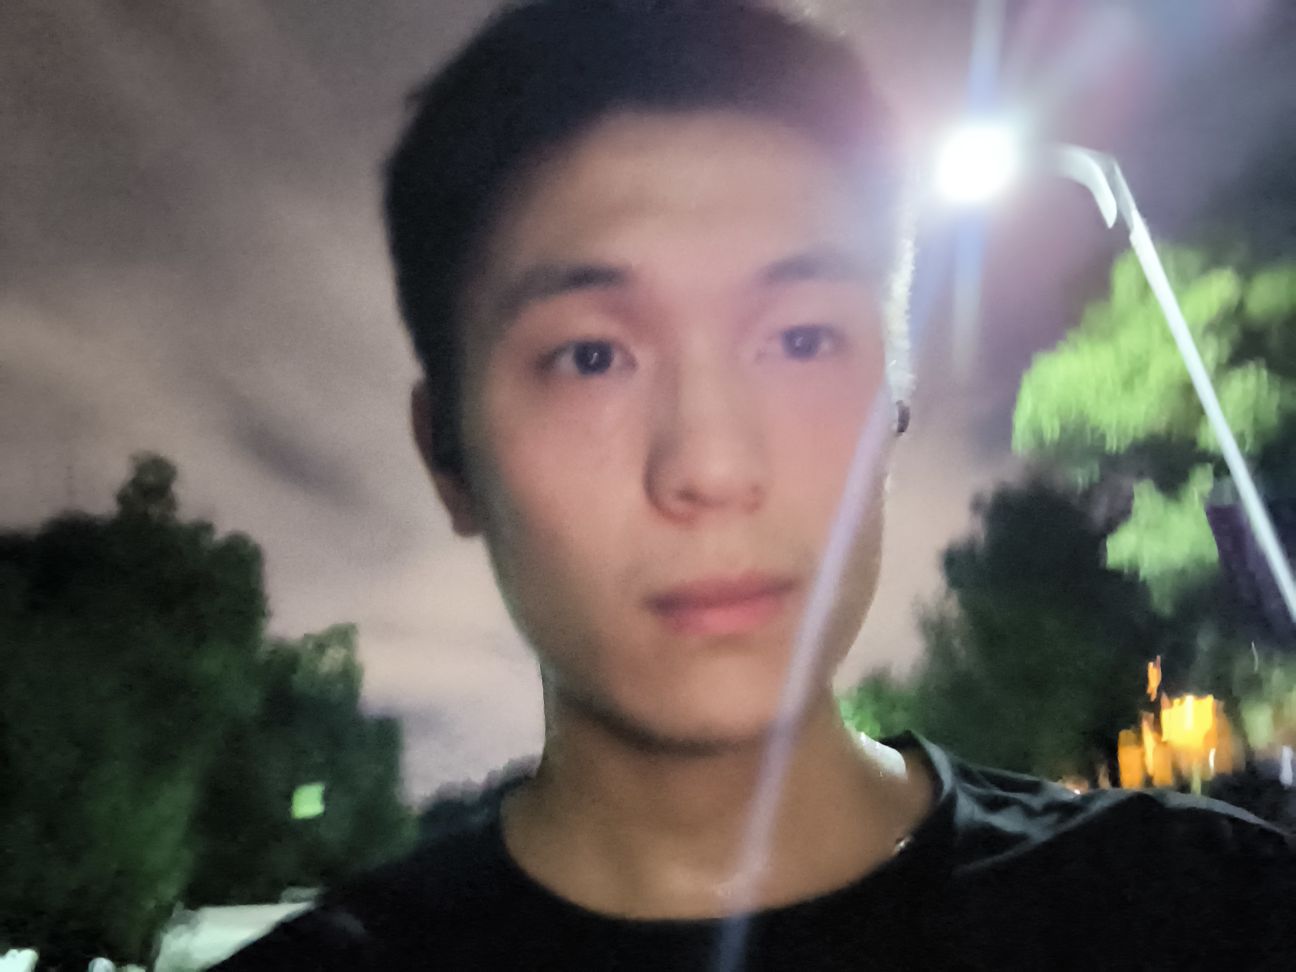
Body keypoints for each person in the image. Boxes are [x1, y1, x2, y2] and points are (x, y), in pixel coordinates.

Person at [215, 1, 1295, 968]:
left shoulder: (1211, 912)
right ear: (447, 453)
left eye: (801, 339)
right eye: (591, 356)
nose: (712, 468)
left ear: (894, 404)